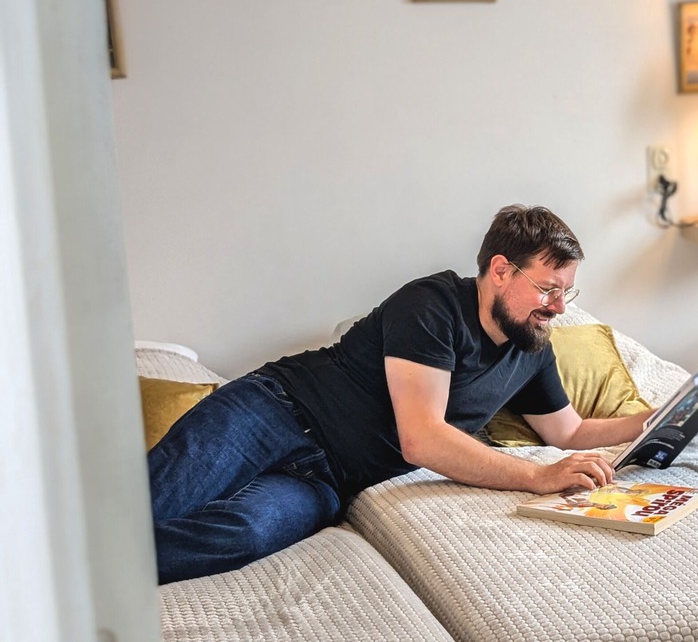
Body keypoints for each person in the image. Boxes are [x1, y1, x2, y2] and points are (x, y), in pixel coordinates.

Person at [148, 204, 654, 584]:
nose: (559, 307)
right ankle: (74, 572)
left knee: (244, 535)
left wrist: (661, 418)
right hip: (274, 411)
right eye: (548, 288)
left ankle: (90, 573)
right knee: (150, 503)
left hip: (327, 482)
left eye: (568, 291)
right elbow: (423, 439)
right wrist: (538, 476)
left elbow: (570, 431)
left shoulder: (532, 348)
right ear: (500, 270)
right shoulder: (431, 305)